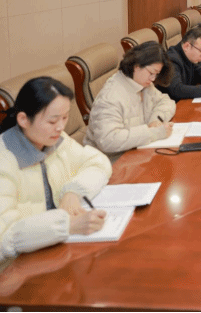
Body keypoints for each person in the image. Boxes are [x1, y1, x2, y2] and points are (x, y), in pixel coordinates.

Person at [0, 77, 112, 267]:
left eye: (65, 118)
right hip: (18, 268)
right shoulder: (4, 160)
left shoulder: (56, 140)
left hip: (57, 252)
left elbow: (98, 162)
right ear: (23, 119)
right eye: (52, 121)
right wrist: (67, 225)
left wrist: (73, 191)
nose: (60, 127)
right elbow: (4, 238)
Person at [84, 41, 177, 160]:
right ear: (137, 66)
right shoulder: (110, 97)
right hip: (110, 161)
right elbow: (108, 140)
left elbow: (166, 101)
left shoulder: (143, 83)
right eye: (151, 73)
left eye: (156, 74)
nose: (153, 79)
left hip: (137, 153)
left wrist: (155, 120)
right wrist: (153, 133)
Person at [156, 27, 201, 102]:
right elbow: (177, 89)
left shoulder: (188, 55)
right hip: (173, 105)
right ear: (187, 46)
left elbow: (199, 69)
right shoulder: (172, 60)